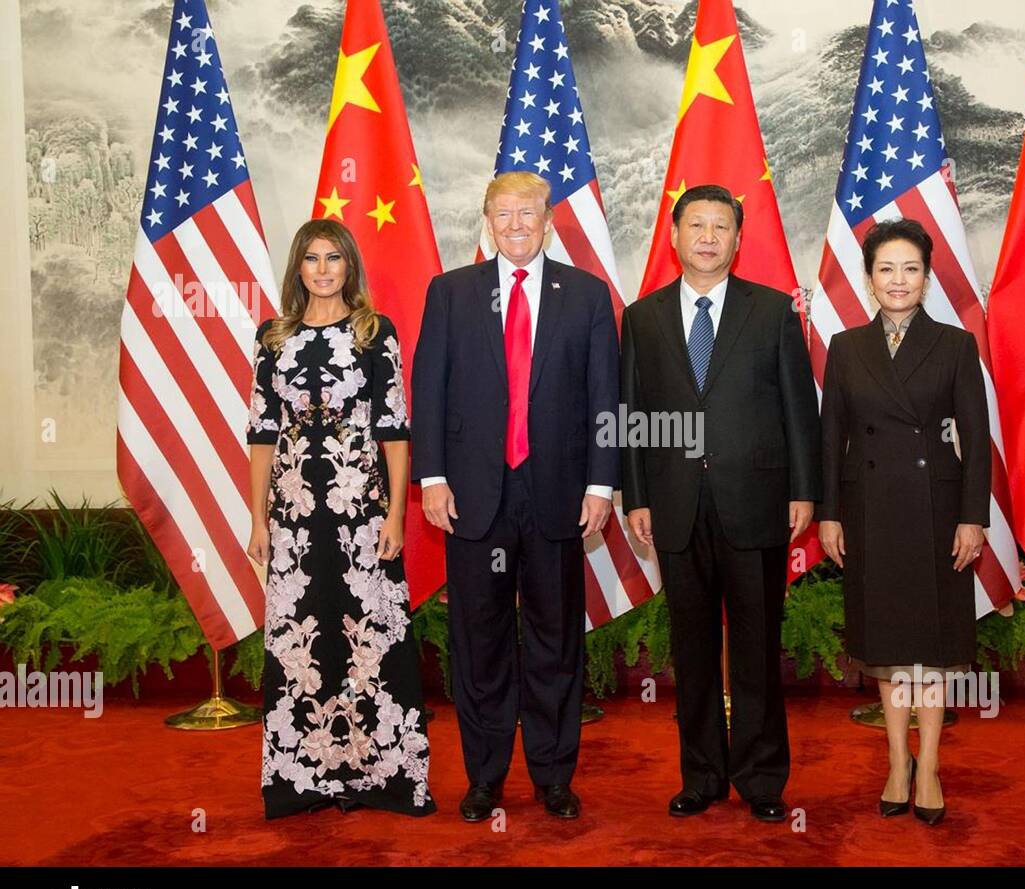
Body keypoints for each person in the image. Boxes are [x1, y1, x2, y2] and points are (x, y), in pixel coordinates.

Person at [410, 172, 619, 822]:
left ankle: (554, 776)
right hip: (473, 495)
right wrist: (432, 477)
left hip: (558, 492)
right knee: (481, 641)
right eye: (503, 214)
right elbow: (430, 389)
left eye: (527, 213)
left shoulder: (586, 295)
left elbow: (605, 399)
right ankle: (486, 776)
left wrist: (600, 483)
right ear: (488, 222)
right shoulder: (451, 293)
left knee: (557, 639)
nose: (516, 224)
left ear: (548, 220)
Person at [621, 184, 821, 822]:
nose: (708, 237)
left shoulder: (771, 312)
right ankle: (701, 776)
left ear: (738, 239)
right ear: (675, 236)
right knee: (694, 645)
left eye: (721, 227)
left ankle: (762, 779)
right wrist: (637, 496)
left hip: (756, 500)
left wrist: (804, 490)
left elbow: (798, 409)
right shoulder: (643, 316)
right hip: (676, 507)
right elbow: (633, 416)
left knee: (758, 645)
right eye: (696, 225)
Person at [246, 219, 434, 819]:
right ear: (298, 268)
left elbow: (396, 431)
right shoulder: (272, 338)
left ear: (349, 266)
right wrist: (258, 522)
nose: (323, 269)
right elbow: (262, 436)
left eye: (334, 258)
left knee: (371, 638)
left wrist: (396, 516)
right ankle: (304, 779)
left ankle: (385, 777)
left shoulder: (375, 335)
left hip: (362, 513)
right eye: (311, 258)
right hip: (296, 519)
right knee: (301, 638)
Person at [816, 218, 992, 826]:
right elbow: (830, 437)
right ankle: (897, 763)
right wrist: (830, 515)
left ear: (926, 277)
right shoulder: (846, 348)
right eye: (886, 269)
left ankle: (933, 764)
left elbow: (977, 438)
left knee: (932, 652)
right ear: (869, 280)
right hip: (868, 512)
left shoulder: (954, 345)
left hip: (937, 514)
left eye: (910, 269)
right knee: (890, 651)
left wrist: (973, 519)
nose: (898, 280)